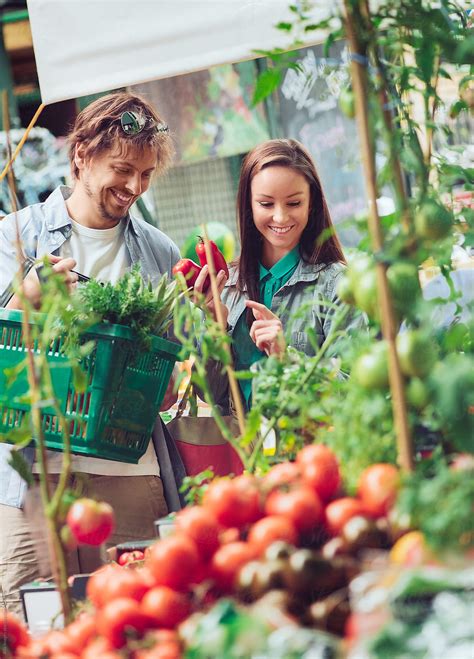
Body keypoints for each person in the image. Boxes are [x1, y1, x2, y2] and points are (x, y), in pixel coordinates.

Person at [0, 92, 182, 617]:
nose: (133, 187)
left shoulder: (160, 252)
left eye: (145, 174)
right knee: (37, 624)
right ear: (81, 154)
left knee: (141, 621)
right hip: (33, 476)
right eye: (122, 168)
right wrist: (21, 300)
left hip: (129, 468)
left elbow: (165, 387)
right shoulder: (16, 237)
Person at [193, 138, 365, 411]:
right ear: (249, 206)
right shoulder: (228, 283)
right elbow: (210, 395)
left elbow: (355, 388)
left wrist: (287, 358)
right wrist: (216, 328)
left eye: (294, 203)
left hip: (310, 451)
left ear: (312, 204)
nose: (281, 217)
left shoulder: (338, 286)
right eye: (266, 204)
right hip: (243, 450)